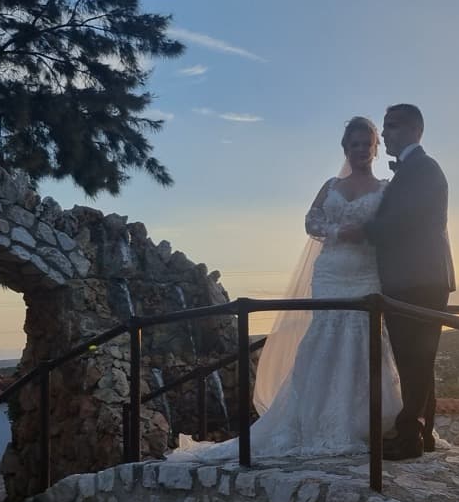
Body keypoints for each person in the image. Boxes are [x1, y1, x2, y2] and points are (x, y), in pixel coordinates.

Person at [168, 117, 401, 463]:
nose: (360, 150)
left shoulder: (385, 188)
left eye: (366, 144)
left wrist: (365, 232)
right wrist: (338, 232)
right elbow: (311, 220)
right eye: (353, 144)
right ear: (345, 148)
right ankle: (316, 417)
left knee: (362, 337)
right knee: (324, 336)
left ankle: (365, 418)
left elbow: (391, 227)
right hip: (331, 271)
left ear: (375, 148)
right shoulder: (331, 184)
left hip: (366, 272)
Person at [339, 104, 456, 460]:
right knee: (417, 360)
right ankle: (421, 433)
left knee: (415, 359)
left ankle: (409, 439)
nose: (384, 134)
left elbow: (404, 221)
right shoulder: (414, 170)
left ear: (409, 129)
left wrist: (363, 231)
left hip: (418, 280)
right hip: (416, 278)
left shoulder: (423, 169)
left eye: (389, 127)